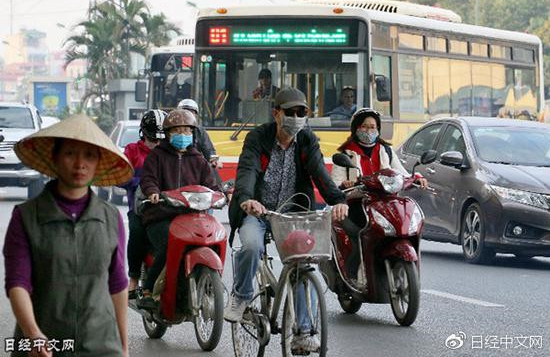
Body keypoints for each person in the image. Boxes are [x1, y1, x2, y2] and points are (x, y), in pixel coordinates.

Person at [224, 87, 348, 353]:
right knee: (251, 246)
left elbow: (320, 175)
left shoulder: (306, 139)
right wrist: (246, 198)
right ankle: (241, 295)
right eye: (290, 112)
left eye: (301, 112)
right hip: (258, 211)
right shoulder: (258, 137)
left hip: (292, 214)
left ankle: (304, 332)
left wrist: (338, 201)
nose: (296, 117)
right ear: (276, 114)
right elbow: (247, 170)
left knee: (304, 265)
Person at [3, 114, 133, 357]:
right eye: (70, 153)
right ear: (54, 157)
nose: (79, 164)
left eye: (89, 156)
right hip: (41, 346)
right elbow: (17, 283)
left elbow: (117, 284)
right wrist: (33, 334)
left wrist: (124, 347)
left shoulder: (111, 217)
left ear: (98, 163)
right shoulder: (26, 217)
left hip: (100, 344)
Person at [331, 108, 427, 282]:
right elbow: (335, 182)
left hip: (385, 203)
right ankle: (354, 273)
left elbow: (402, 173)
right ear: (356, 128)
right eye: (364, 127)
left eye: (373, 127)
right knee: (358, 233)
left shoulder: (386, 150)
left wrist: (416, 178)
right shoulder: (345, 154)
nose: (369, 131)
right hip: (356, 204)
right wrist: (345, 184)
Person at [137, 109, 219, 309]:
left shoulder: (198, 158)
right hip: (161, 216)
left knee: (212, 236)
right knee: (169, 245)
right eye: (177, 130)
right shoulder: (157, 156)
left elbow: (212, 183)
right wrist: (153, 192)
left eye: (186, 130)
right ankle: (148, 288)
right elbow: (148, 179)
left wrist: (221, 194)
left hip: (192, 217)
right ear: (168, 133)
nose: (183, 134)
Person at [123, 109, 166, 299]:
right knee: (137, 232)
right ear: (143, 134)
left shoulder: (170, 152)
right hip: (140, 208)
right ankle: (133, 279)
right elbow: (121, 176)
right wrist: (140, 182)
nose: (157, 144)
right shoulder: (132, 150)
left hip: (166, 207)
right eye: (153, 139)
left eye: (160, 140)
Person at [177, 98, 219, 167]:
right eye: (184, 112)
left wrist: (213, 160)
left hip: (194, 166)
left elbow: (209, 149)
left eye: (191, 112)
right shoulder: (171, 129)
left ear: (196, 115)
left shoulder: (200, 131)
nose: (188, 115)